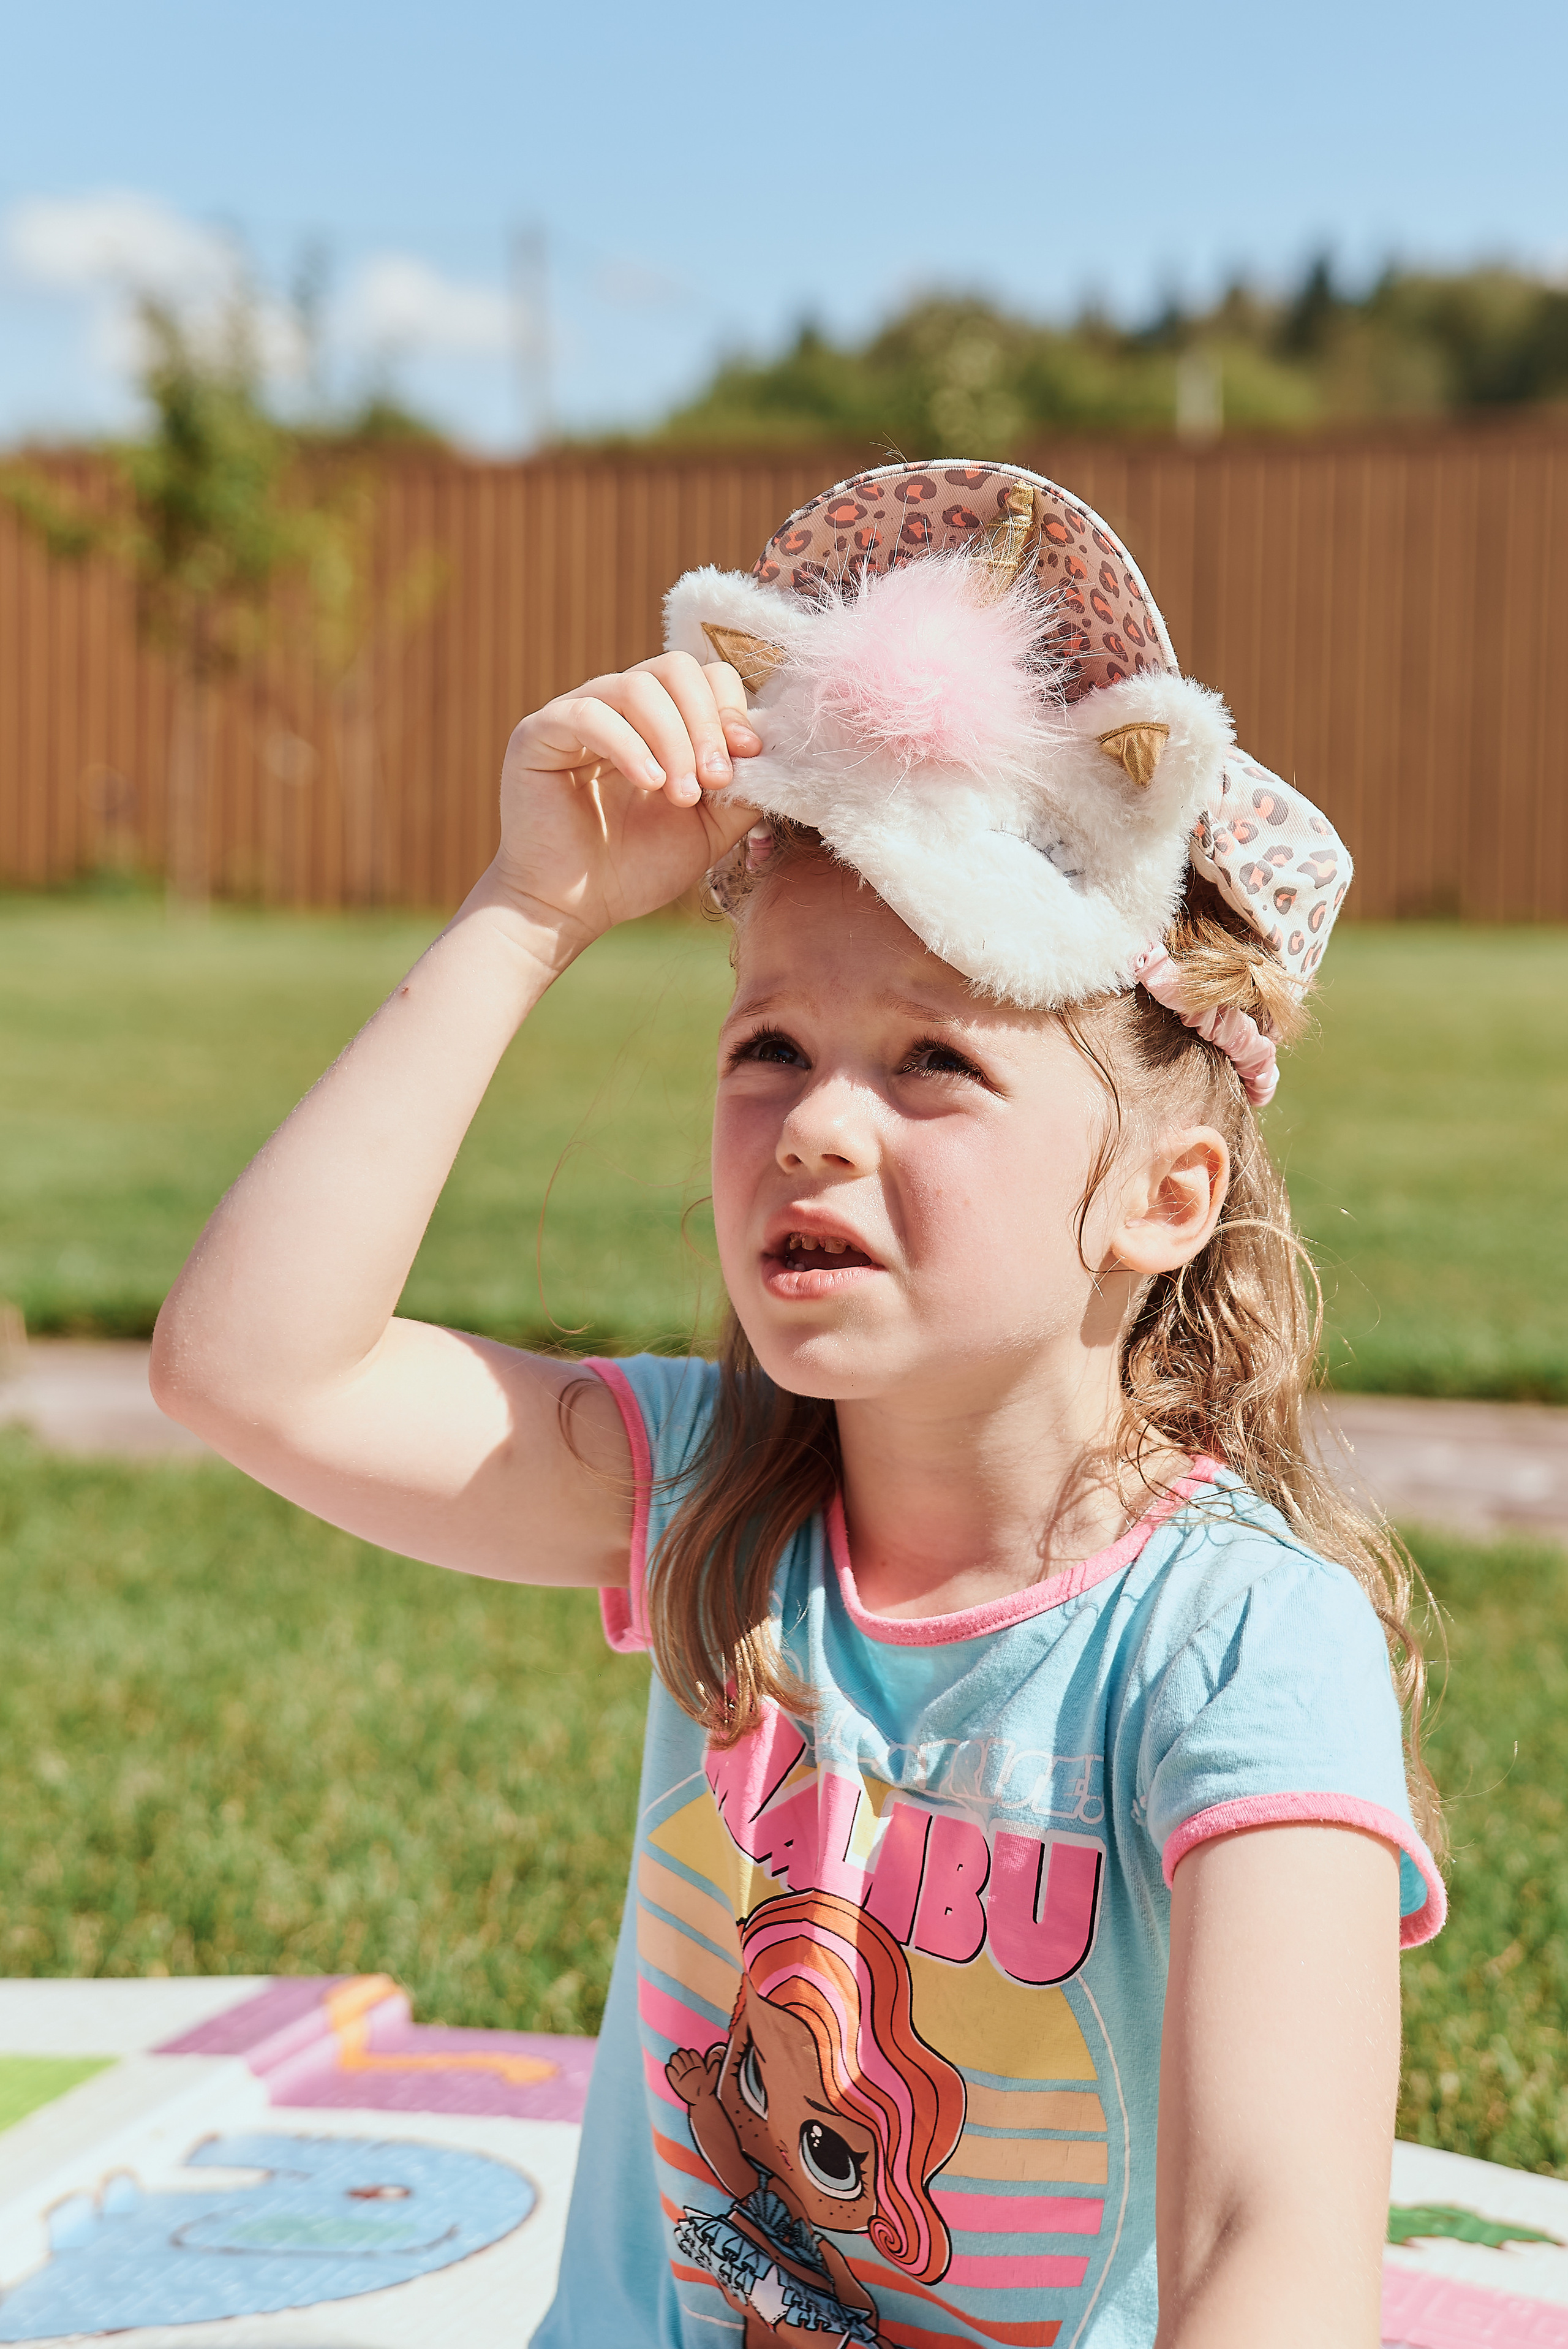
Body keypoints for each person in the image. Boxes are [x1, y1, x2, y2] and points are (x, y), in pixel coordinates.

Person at [153, 461, 1445, 2349]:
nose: (817, 1124)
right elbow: (251, 1368)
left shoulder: (1240, 1641)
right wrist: (533, 907)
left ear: (1166, 1192)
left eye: (934, 1057)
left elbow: (1275, 2239)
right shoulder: (712, 1492)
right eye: (770, 1043)